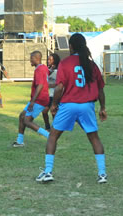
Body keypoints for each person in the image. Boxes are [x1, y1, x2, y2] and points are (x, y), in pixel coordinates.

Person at [37, 33, 107, 184]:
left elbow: (59, 87)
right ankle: (102, 174)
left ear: (71, 46)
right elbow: (100, 89)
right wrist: (102, 107)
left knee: (53, 136)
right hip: (87, 105)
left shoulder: (66, 63)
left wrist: (54, 104)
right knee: (94, 138)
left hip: (69, 104)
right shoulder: (92, 65)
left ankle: (48, 171)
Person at [11, 51, 51, 147]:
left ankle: (49, 136)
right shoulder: (44, 67)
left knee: (27, 121)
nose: (30, 60)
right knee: (22, 116)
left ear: (37, 58)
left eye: (31, 58)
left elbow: (40, 85)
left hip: (39, 99)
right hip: (39, 98)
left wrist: (33, 102)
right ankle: (20, 141)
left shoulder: (39, 70)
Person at [42, 53, 61, 130]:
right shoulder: (47, 70)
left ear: (55, 61)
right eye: (48, 59)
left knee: (53, 112)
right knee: (44, 111)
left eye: (50, 59)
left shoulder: (59, 71)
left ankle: (55, 128)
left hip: (55, 95)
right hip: (47, 95)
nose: (48, 61)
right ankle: (47, 127)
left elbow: (60, 84)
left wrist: (49, 85)